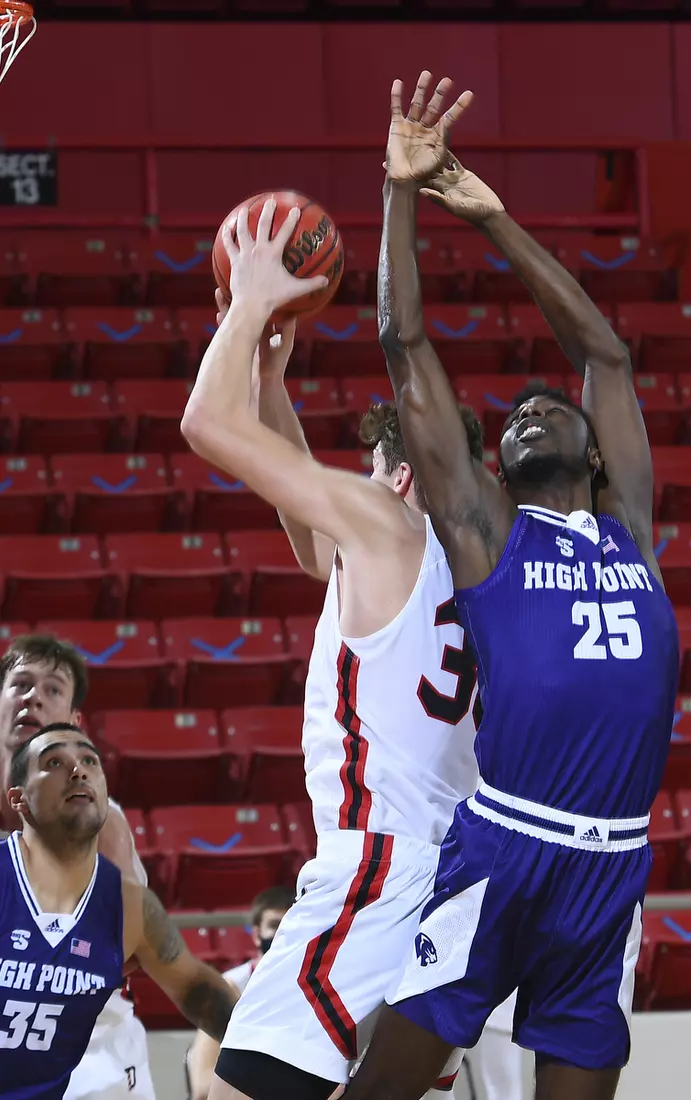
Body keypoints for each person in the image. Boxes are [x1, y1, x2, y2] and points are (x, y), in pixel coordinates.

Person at [344, 72, 679, 1100]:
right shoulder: (488, 526)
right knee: (382, 1087)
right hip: (505, 848)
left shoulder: (629, 528)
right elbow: (405, 345)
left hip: (611, 868)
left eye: (550, 407)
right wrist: (402, 190)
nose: (531, 411)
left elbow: (604, 353)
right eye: (516, 414)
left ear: (594, 451)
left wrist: (491, 217)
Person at [180, 199, 517, 1100]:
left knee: (229, 1086)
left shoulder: (385, 523)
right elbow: (305, 536)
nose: (353, 489)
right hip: (452, 874)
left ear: (398, 478)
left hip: (380, 860)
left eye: (366, 471)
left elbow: (204, 426)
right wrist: (275, 381)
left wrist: (250, 303)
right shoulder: (480, 561)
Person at [1, 722, 239, 1100]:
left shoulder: (132, 908)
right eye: (54, 763)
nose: (78, 770)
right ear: (19, 798)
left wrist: (289, 1062)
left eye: (89, 761)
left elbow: (198, 991)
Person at [0, 634, 157, 1100]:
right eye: (21, 684)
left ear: (73, 720)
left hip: (89, 1050)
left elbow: (131, 946)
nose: (34, 697)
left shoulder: (100, 823)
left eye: (52, 689)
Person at [186, 886, 294, 1100]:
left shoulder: (314, 990)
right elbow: (202, 1087)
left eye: (289, 925)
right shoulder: (228, 987)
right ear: (256, 934)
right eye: (274, 925)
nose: (282, 933)